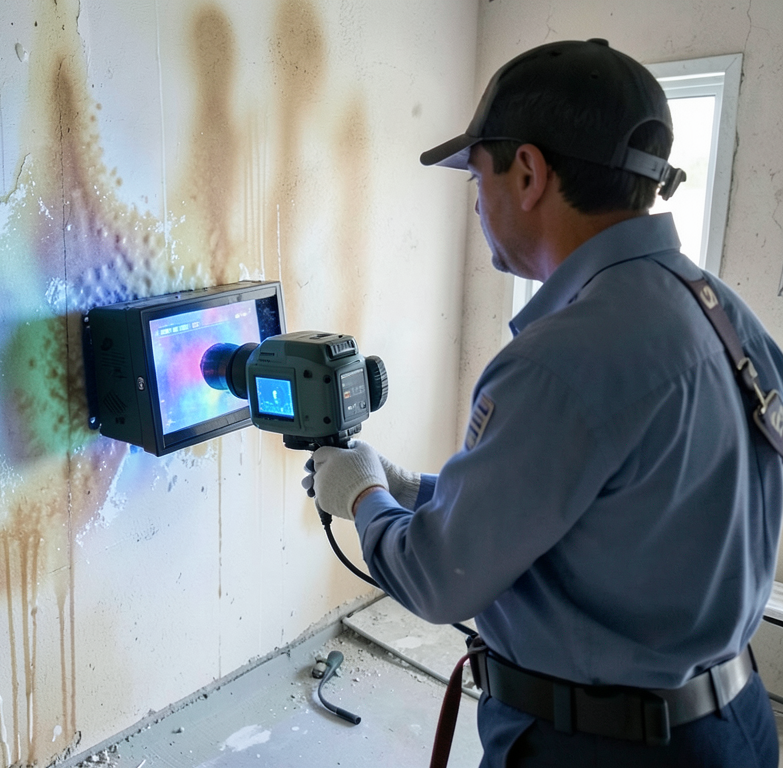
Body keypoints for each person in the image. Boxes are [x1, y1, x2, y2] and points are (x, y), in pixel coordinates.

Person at [304, 38, 783, 767]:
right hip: (732, 724)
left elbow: (439, 579)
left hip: (602, 746)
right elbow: (618, 521)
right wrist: (419, 491)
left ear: (528, 172)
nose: (476, 203)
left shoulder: (562, 358)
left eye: (477, 177)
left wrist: (364, 497)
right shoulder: (721, 313)